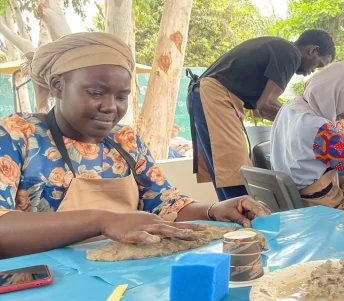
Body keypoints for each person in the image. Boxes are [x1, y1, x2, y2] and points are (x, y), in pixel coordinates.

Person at [0, 32, 268, 259]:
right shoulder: (16, 136)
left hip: (122, 278)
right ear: (57, 86)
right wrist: (102, 220)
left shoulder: (124, 142)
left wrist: (213, 210)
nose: (110, 107)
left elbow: (164, 205)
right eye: (95, 93)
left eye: (121, 96)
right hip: (37, 287)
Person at [188, 30, 335, 202]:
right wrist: (308, 123)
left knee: (228, 172)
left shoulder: (280, 48)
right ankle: (244, 224)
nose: (312, 71)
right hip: (215, 96)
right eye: (318, 64)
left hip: (208, 94)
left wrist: (298, 122)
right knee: (234, 172)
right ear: (312, 50)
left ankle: (239, 221)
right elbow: (266, 104)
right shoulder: (290, 53)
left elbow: (261, 109)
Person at [271, 62, 344, 219]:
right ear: (342, 98)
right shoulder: (319, 129)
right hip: (322, 207)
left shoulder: (290, 108)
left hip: (293, 201)